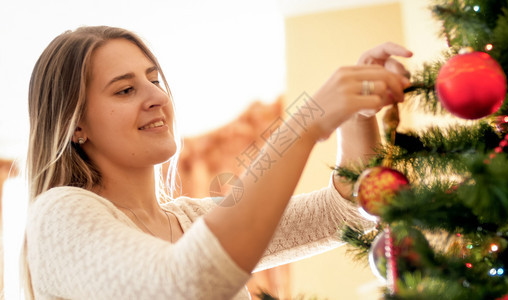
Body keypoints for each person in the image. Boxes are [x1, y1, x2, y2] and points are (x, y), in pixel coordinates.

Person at [23, 26, 411, 299]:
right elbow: (185, 285)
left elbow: (344, 213)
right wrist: (305, 123)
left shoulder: (192, 220)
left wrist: (357, 112)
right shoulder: (59, 215)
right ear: (76, 126)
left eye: (154, 80)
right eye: (125, 89)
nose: (156, 97)